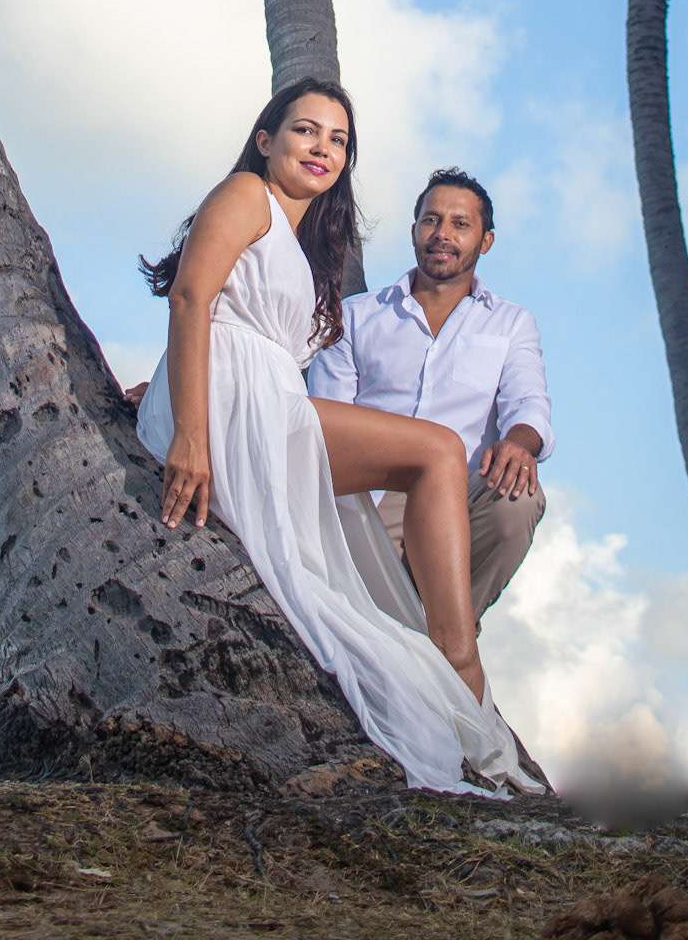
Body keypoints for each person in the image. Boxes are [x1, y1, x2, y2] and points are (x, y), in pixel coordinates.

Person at [132, 78, 540, 795]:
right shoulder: (246, 194)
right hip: (232, 403)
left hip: (262, 398)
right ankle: (460, 659)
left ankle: (453, 655)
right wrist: (188, 433)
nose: (322, 147)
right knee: (438, 449)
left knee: (435, 458)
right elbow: (192, 298)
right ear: (266, 140)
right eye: (306, 130)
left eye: (338, 139)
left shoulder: (298, 240)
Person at [308, 168, 551, 628]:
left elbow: (529, 403)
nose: (442, 234)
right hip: (372, 497)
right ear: (414, 230)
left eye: (460, 224)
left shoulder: (511, 324)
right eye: (431, 220)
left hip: (462, 498)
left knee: (518, 497)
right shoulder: (355, 317)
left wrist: (519, 443)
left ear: (486, 241)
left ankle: (448, 634)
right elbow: (327, 420)